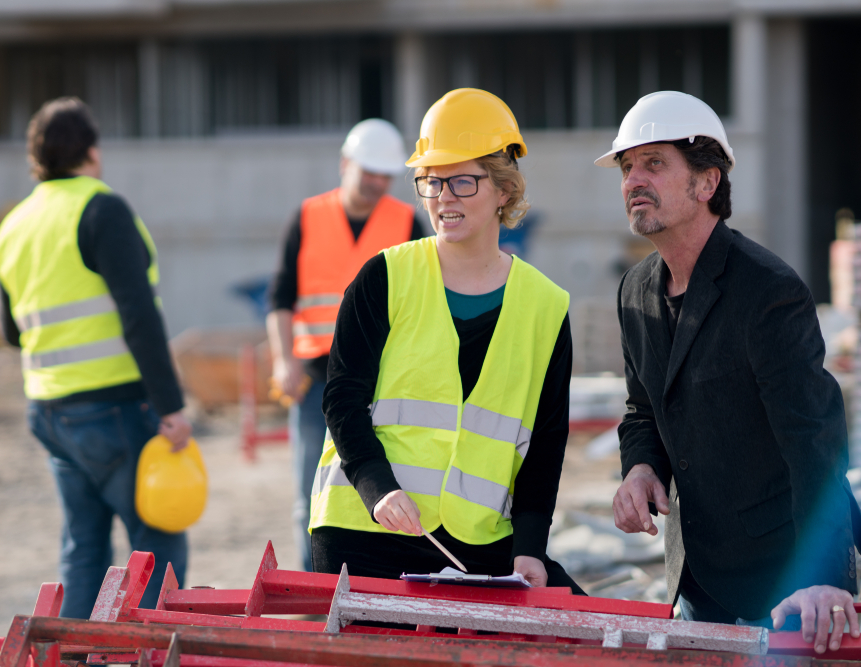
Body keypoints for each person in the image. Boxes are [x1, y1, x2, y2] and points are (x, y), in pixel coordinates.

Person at [604, 91, 860, 652]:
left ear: (706, 182)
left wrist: (826, 576)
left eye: (654, 163)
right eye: (627, 167)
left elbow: (814, 440)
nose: (632, 180)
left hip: (787, 585)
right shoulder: (635, 292)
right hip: (695, 578)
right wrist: (641, 466)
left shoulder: (769, 292)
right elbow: (642, 408)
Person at [309, 88, 581, 591]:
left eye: (461, 180)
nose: (443, 197)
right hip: (366, 527)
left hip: (476, 540)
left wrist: (530, 547)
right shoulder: (384, 278)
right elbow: (341, 398)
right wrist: (377, 488)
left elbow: (546, 443)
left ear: (504, 190)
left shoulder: (546, 307)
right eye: (431, 182)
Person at [0, 97, 191, 618]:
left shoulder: (12, 226)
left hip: (50, 412)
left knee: (84, 550)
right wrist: (171, 405)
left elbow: (10, 332)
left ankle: (77, 654)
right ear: (91, 152)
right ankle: (149, 649)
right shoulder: (102, 209)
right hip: (115, 409)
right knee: (157, 544)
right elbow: (138, 316)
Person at [267, 118, 426, 572]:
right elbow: (280, 298)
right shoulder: (307, 217)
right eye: (368, 172)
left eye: (384, 175)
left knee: (369, 486)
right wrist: (283, 362)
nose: (376, 183)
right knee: (308, 494)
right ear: (345, 164)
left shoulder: (405, 222)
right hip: (315, 378)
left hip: (378, 381)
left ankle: (361, 584)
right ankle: (315, 588)